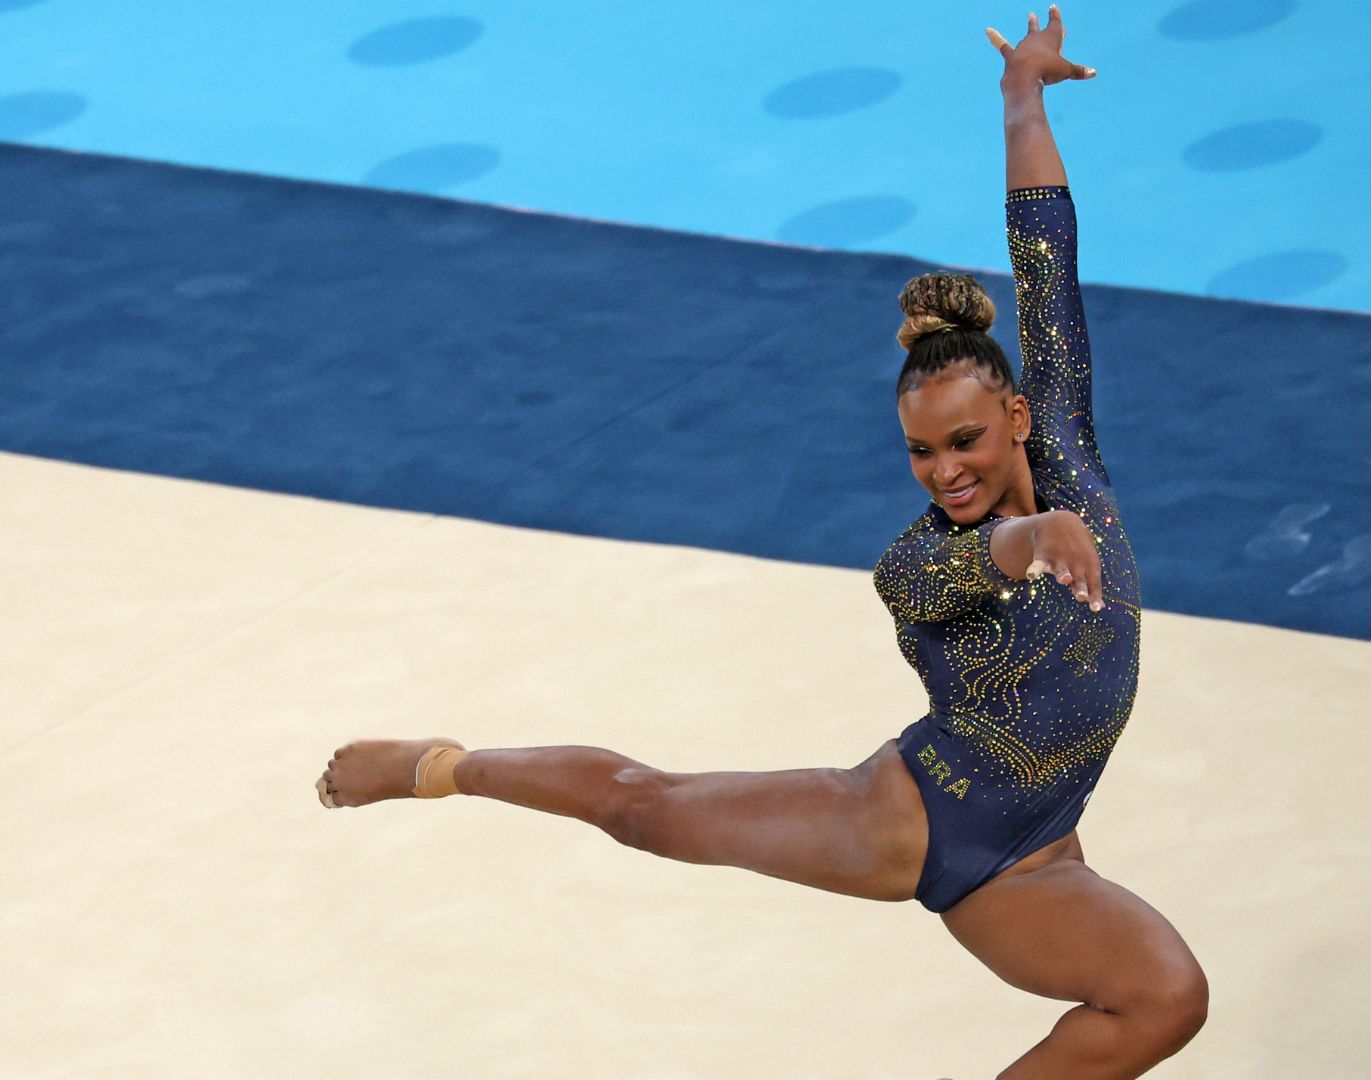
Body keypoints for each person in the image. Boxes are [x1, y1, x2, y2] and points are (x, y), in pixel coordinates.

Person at [314, 7, 1206, 1076]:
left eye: (964, 440)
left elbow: (1047, 265)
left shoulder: (1067, 439)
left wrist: (1020, 96)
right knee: (642, 808)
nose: (945, 471)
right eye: (921, 454)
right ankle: (440, 767)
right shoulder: (918, 561)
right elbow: (971, 563)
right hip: (916, 821)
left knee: (1164, 1000)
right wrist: (1030, 536)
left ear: (1017, 417)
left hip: (1041, 853)